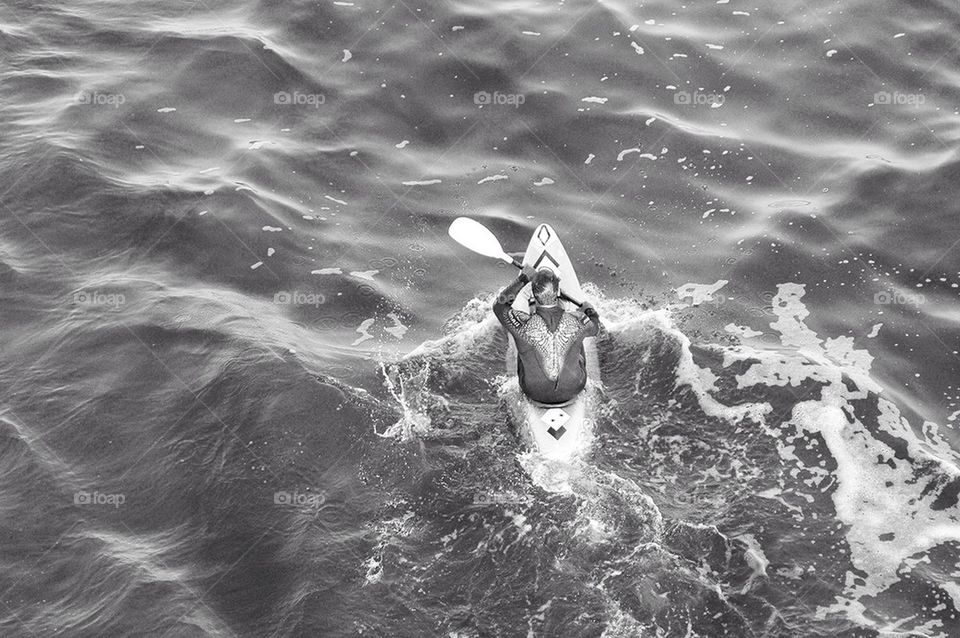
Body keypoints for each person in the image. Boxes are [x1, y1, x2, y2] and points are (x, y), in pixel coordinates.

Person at [493, 266, 600, 405]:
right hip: (574, 388)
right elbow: (595, 328)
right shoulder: (578, 320)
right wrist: (590, 311)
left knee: (518, 337)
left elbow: (499, 306)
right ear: (557, 292)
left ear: (533, 293)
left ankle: (533, 307)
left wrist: (523, 278)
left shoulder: (523, 323)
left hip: (534, 392)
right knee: (578, 338)